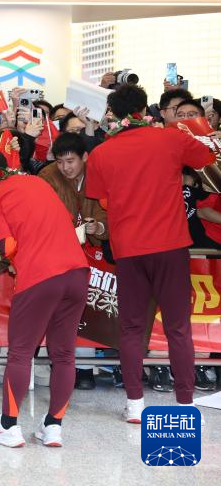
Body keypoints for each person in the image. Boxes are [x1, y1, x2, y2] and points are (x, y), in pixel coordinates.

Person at [85, 84, 216, 422]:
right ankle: (185, 402)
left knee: (131, 327)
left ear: (113, 113)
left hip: (128, 247)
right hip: (170, 244)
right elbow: (207, 158)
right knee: (178, 327)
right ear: (145, 109)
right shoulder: (170, 138)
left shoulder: (101, 152)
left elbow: (101, 199)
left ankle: (134, 404)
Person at [0, 152, 90, 448]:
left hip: (39, 275)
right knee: (64, 354)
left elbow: (6, 245)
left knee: (21, 353)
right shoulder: (38, 183)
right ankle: (53, 427)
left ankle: (8, 426)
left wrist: (13, 260)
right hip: (77, 271)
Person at [39, 132, 109, 390]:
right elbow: (42, 212)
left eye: (70, 161)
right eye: (60, 162)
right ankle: (58, 365)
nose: (65, 168)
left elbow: (110, 211)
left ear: (85, 157)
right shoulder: (47, 176)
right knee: (58, 312)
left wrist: (99, 227)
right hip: (57, 253)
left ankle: (85, 368)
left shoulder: (100, 175)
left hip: (94, 255)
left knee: (91, 308)